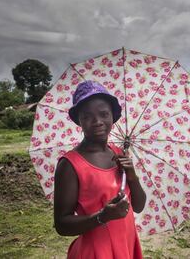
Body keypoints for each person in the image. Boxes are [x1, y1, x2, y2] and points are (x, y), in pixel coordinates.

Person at [54, 80, 147, 259]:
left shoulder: (119, 154)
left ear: (112, 116)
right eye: (87, 116)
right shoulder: (70, 165)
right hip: (96, 251)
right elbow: (61, 224)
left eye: (104, 114)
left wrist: (132, 176)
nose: (97, 122)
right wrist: (103, 216)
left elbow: (139, 206)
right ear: (79, 121)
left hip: (126, 243)